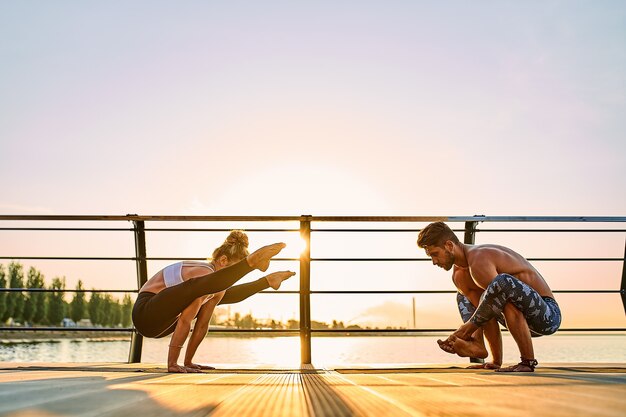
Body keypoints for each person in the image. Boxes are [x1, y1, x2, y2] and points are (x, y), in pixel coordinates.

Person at [132, 230, 295, 373]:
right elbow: (185, 320)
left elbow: (202, 325)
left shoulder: (212, 288)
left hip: (163, 324)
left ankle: (267, 281)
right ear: (223, 260)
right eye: (233, 271)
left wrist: (188, 361)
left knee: (221, 292)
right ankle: (251, 263)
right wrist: (172, 363)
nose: (232, 277)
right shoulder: (204, 271)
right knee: (205, 286)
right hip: (145, 313)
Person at [417, 222, 561, 372]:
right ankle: (477, 343)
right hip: (517, 319)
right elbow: (487, 309)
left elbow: (503, 297)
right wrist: (496, 361)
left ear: (449, 245)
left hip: (547, 316)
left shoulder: (480, 258)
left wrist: (464, 330)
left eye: (435, 254)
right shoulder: (459, 275)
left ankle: (528, 361)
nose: (434, 262)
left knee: (501, 285)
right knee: (465, 296)